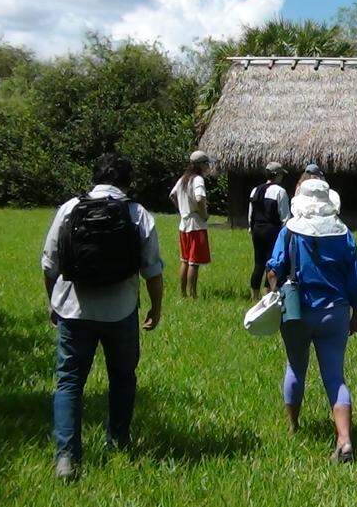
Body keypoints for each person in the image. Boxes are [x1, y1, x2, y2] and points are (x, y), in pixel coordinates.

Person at [41, 153, 164, 481]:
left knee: (69, 381)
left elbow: (49, 263)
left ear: (95, 177)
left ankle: (66, 457)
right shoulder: (138, 214)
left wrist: (53, 302)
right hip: (121, 310)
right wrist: (156, 306)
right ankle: (118, 443)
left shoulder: (69, 209)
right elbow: (152, 269)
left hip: (73, 309)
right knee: (122, 378)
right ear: (128, 181)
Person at [266, 178, 357, 463]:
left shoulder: (289, 231)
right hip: (335, 311)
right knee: (335, 376)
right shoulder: (343, 234)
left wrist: (273, 295)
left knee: (295, 368)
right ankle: (345, 440)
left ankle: (293, 426)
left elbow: (273, 269)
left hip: (297, 311)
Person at [169, 151, 211, 298]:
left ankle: (183, 294)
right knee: (194, 262)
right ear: (200, 165)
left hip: (184, 224)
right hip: (196, 225)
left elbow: (172, 195)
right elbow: (200, 199)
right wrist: (203, 214)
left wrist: (181, 209)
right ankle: (193, 294)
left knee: (185, 260)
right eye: (206, 163)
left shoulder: (183, 179)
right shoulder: (198, 179)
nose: (208, 166)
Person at [248, 161, 291, 301]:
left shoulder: (255, 190)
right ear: (277, 175)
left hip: (257, 229)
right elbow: (285, 216)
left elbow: (251, 212)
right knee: (271, 262)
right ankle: (267, 294)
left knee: (258, 262)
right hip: (272, 230)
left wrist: (251, 227)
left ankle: (254, 295)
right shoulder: (280, 191)